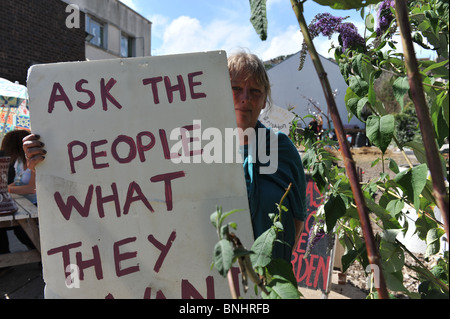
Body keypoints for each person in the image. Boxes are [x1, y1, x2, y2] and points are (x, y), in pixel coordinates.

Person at [23, 51, 307, 263]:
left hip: (268, 280)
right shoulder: (191, 142)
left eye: (255, 91)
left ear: (264, 97)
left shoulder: (282, 150)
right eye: (235, 88)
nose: (245, 97)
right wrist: (50, 159)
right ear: (217, 89)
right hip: (212, 279)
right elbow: (115, 177)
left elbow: (295, 220)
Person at [0, 130, 36, 269]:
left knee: (21, 230)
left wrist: (6, 189)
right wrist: (5, 187)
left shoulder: (34, 161)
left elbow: (32, 188)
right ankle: (5, 261)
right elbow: (18, 182)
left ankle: (41, 254)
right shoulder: (19, 162)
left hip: (34, 203)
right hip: (22, 201)